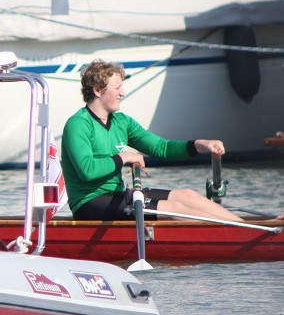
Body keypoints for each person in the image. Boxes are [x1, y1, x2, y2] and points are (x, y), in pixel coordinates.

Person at [61, 59, 246, 223]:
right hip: (89, 203)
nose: (122, 93)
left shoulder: (122, 122)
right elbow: (87, 171)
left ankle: (258, 229)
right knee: (175, 209)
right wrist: (124, 157)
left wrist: (199, 145)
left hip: (117, 195)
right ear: (97, 90)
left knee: (188, 196)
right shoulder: (78, 124)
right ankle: (242, 234)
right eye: (117, 88)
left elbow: (161, 147)